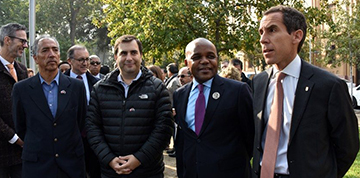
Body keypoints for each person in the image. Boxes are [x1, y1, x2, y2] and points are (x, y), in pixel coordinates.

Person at [252, 5, 359, 178]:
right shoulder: (259, 82)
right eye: (261, 32)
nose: (263, 39)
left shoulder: (328, 86)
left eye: (272, 30)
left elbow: (348, 146)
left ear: (296, 36)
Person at [86, 35, 173, 177]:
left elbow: (163, 129)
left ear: (141, 55)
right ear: (115, 57)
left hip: (148, 172)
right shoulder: (100, 88)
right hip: (111, 171)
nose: (129, 58)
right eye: (123, 53)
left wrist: (138, 159)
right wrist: (109, 159)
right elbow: (92, 127)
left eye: (133, 52)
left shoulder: (157, 88)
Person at [173, 38, 254, 178]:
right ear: (187, 63)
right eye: (197, 57)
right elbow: (184, 139)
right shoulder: (179, 95)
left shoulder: (238, 91)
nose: (205, 61)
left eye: (210, 56)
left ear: (217, 59)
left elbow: (251, 136)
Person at [12, 35, 86, 178]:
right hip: (37, 165)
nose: (51, 54)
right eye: (45, 50)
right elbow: (20, 127)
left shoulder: (76, 87)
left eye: (55, 50)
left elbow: (81, 121)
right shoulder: (22, 89)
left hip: (71, 164)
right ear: (35, 57)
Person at [64, 45, 100, 178]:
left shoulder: (97, 84)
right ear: (70, 61)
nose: (85, 63)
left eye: (87, 59)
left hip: (92, 140)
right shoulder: (59, 83)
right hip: (68, 141)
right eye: (81, 60)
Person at [0, 22, 28, 178]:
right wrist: (14, 138)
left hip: (22, 152)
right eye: (21, 41)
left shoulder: (22, 70)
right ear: (7, 40)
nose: (25, 46)